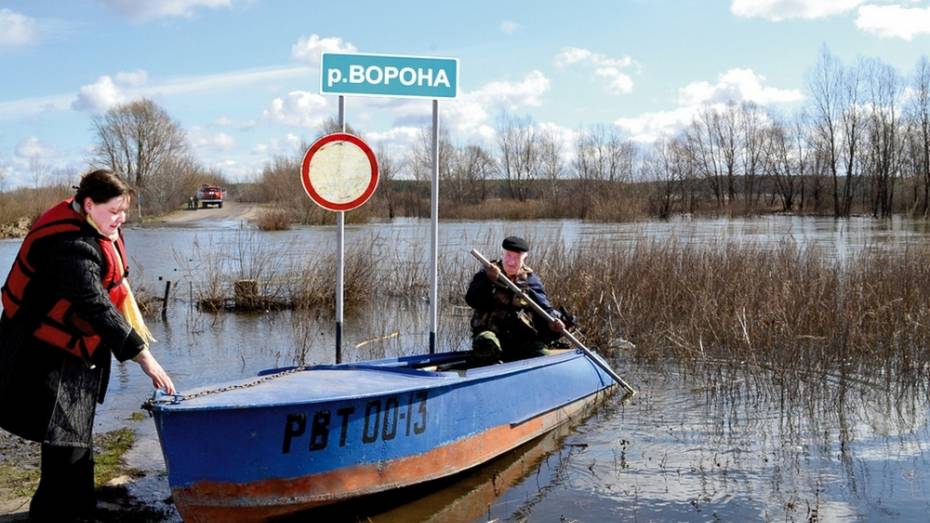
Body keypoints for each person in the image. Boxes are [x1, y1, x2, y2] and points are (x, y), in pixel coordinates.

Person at [0, 169, 175, 522]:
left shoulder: (95, 227)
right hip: (43, 354)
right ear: (89, 204)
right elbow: (95, 306)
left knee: (75, 443)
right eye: (115, 211)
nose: (121, 219)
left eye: (124, 211)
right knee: (66, 446)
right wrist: (144, 357)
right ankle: (58, 514)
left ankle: (76, 511)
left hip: (74, 351)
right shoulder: (72, 247)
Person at [465, 236, 564, 364]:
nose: (511, 262)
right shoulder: (486, 274)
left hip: (519, 340)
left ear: (525, 258)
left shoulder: (531, 281)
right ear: (502, 254)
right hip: (491, 334)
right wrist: (489, 281)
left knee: (541, 354)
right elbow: (472, 300)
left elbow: (545, 309)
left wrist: (553, 324)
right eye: (508, 256)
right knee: (487, 344)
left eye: (517, 258)